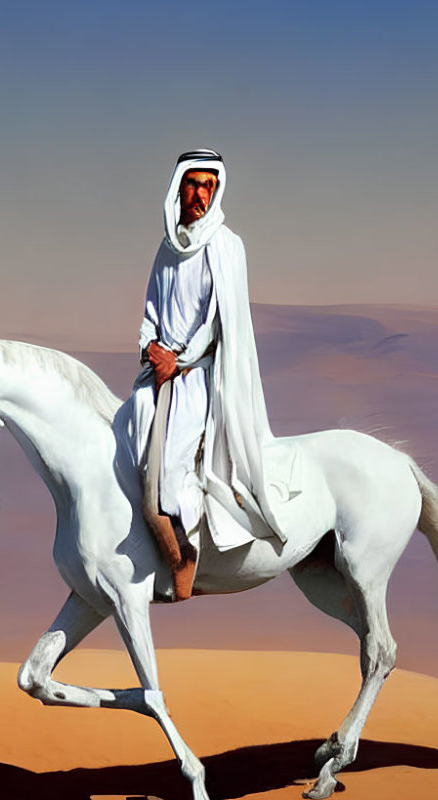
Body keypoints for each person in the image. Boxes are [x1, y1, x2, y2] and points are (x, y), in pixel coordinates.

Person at [131, 149, 297, 601]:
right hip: (156, 376)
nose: (200, 194)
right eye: (193, 184)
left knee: (169, 476)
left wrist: (179, 360)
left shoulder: (226, 246)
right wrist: (150, 347)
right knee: (124, 451)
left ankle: (187, 558)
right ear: (179, 187)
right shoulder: (166, 248)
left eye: (209, 186)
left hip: (199, 379)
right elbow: (149, 313)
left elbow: (217, 322)